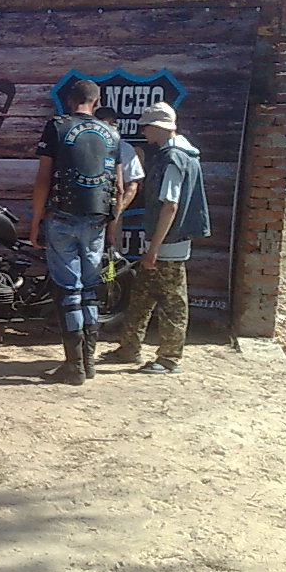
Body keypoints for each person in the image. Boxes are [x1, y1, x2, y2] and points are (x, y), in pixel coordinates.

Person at [103, 102, 210, 373]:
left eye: (146, 126)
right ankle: (129, 348)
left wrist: (154, 250)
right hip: (162, 243)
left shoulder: (173, 158)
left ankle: (169, 359)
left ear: (158, 127)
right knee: (141, 296)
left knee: (172, 303)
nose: (143, 131)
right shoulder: (178, 154)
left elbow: (170, 205)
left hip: (169, 245)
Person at [30, 79, 123, 385]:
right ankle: (89, 362)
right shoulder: (112, 133)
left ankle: (74, 366)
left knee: (69, 290)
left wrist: (35, 222)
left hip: (62, 216)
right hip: (97, 220)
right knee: (89, 290)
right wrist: (111, 229)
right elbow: (119, 188)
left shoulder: (56, 127)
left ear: (70, 101)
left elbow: (43, 178)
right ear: (97, 102)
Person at [95, 106, 145, 252]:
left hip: (113, 212)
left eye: (110, 124)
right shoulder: (84, 145)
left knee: (110, 254)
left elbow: (133, 185)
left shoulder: (125, 148)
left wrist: (117, 210)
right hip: (86, 212)